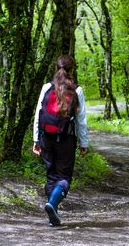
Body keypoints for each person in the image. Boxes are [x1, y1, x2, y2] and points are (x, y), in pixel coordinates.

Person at [33, 54, 89, 226]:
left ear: (56, 68)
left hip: (46, 137)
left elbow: (38, 114)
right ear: (72, 70)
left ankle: (53, 213)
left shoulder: (46, 87)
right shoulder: (76, 90)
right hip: (66, 139)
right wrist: (84, 143)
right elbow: (81, 120)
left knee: (51, 175)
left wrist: (36, 139)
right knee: (64, 176)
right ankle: (53, 204)